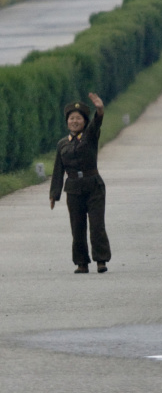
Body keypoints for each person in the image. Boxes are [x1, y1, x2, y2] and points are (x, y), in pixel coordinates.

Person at [50, 93, 111, 274]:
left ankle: (101, 260)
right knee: (77, 227)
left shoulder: (90, 136)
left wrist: (99, 109)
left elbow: (96, 123)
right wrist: (54, 194)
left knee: (96, 225)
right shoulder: (62, 144)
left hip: (94, 187)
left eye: (78, 118)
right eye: (71, 118)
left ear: (84, 121)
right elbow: (58, 170)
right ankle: (81, 262)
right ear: (67, 122)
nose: (74, 121)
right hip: (74, 189)